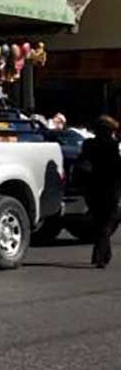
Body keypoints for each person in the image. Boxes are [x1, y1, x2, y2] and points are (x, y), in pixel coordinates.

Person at [75, 115, 121, 268]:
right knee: (109, 220)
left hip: (92, 186)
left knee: (99, 220)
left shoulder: (88, 145)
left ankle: (103, 254)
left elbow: (82, 162)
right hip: (110, 187)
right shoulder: (113, 146)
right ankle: (100, 254)